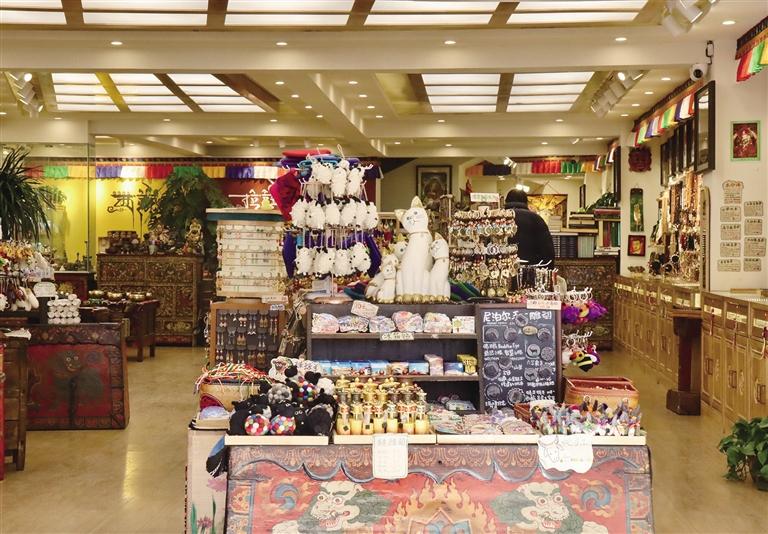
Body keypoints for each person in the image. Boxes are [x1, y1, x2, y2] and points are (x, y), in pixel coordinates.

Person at [504, 189, 555, 266]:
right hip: (531, 266)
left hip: (502, 267)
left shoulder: (498, 218)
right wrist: (548, 268)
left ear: (506, 201)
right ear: (526, 202)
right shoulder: (536, 218)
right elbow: (547, 249)